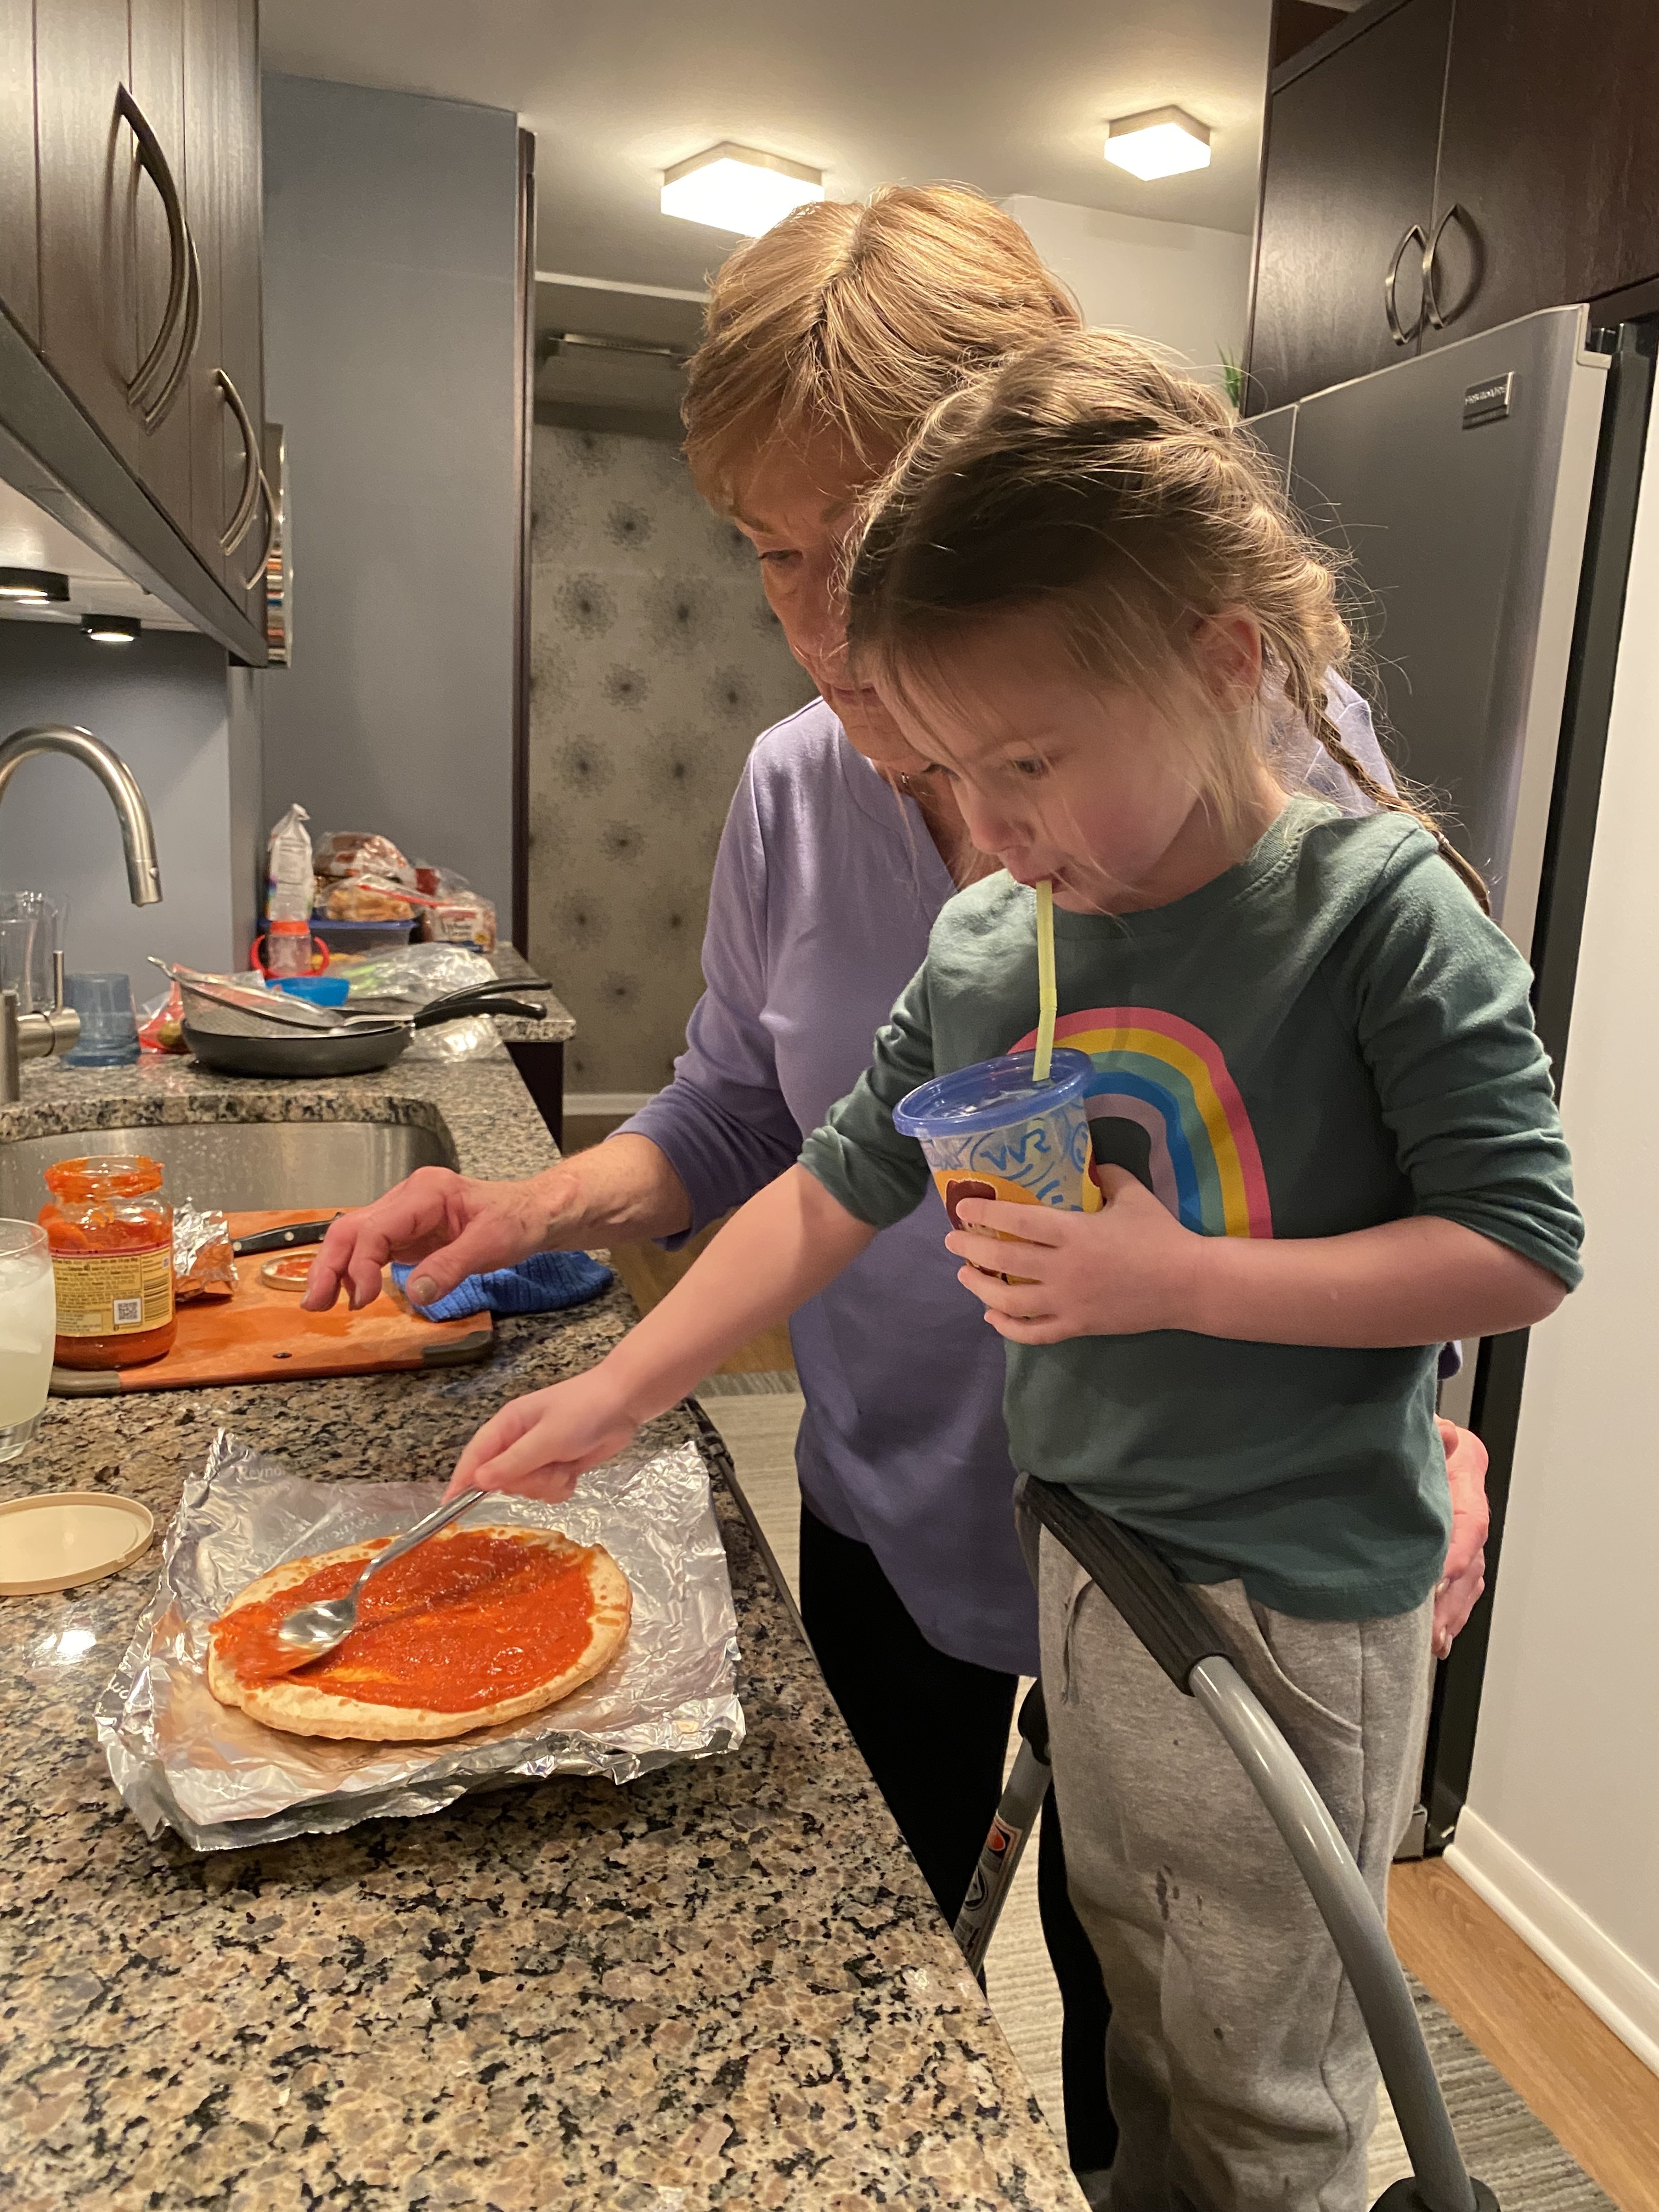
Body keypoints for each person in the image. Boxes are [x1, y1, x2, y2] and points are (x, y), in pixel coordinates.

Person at [303, 189, 1491, 2187]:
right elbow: (755, 1120)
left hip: (1209, 1558)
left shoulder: (1279, 769)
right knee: (867, 2018)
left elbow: (1423, 1150)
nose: (821, 624)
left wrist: (1429, 1429)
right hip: (905, 1529)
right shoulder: (794, 787)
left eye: (858, 548)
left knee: (1192, 2063)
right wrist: (537, 1212)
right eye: (773, 556)